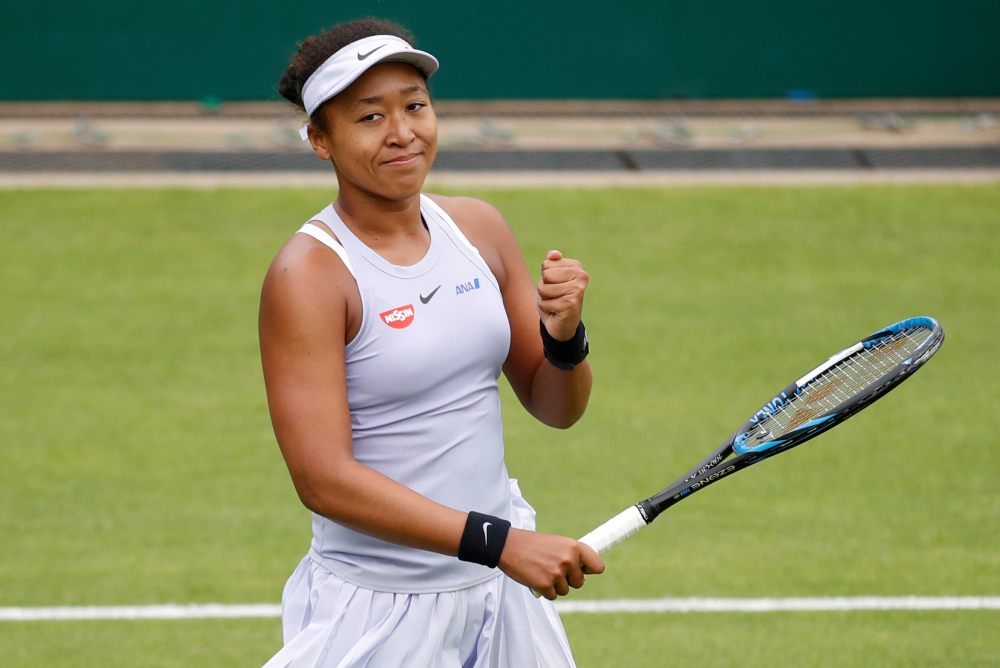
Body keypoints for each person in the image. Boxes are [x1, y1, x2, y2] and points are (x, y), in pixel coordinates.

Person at [259, 17, 604, 667]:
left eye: (415, 106)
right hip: (380, 609)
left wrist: (564, 338)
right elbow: (323, 480)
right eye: (369, 117)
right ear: (319, 140)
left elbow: (556, 407)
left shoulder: (479, 227)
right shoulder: (309, 275)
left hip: (501, 596)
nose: (402, 133)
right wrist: (499, 542)